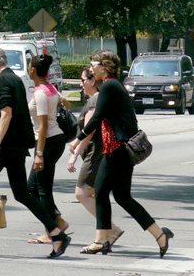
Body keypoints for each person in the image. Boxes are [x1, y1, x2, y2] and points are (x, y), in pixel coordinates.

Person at [0, 44, 70, 259]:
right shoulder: (15, 79)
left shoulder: (2, 80)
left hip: (6, 147)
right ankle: (56, 234)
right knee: (22, 194)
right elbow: (12, 116)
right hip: (15, 146)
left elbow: (6, 114)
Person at [69, 50, 174, 258]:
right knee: (122, 196)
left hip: (117, 149)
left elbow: (97, 116)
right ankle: (159, 234)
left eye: (94, 64)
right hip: (119, 149)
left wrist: (78, 138)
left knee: (101, 192)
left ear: (105, 66)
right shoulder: (113, 85)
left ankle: (101, 240)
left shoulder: (110, 85)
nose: (91, 68)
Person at [67, 66, 124, 247]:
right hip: (97, 153)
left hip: (95, 153)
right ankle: (105, 233)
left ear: (92, 81)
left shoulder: (94, 101)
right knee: (99, 194)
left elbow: (89, 132)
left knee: (82, 192)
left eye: (83, 80)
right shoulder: (96, 99)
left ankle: (110, 230)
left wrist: (74, 155)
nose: (81, 84)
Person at [27, 54, 70, 245]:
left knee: (42, 189)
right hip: (55, 139)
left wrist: (39, 154)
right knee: (32, 188)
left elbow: (43, 125)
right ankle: (57, 221)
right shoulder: (51, 89)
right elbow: (68, 104)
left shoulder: (41, 93)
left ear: (33, 70)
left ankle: (50, 231)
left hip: (48, 141)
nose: (28, 69)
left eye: (29, 66)